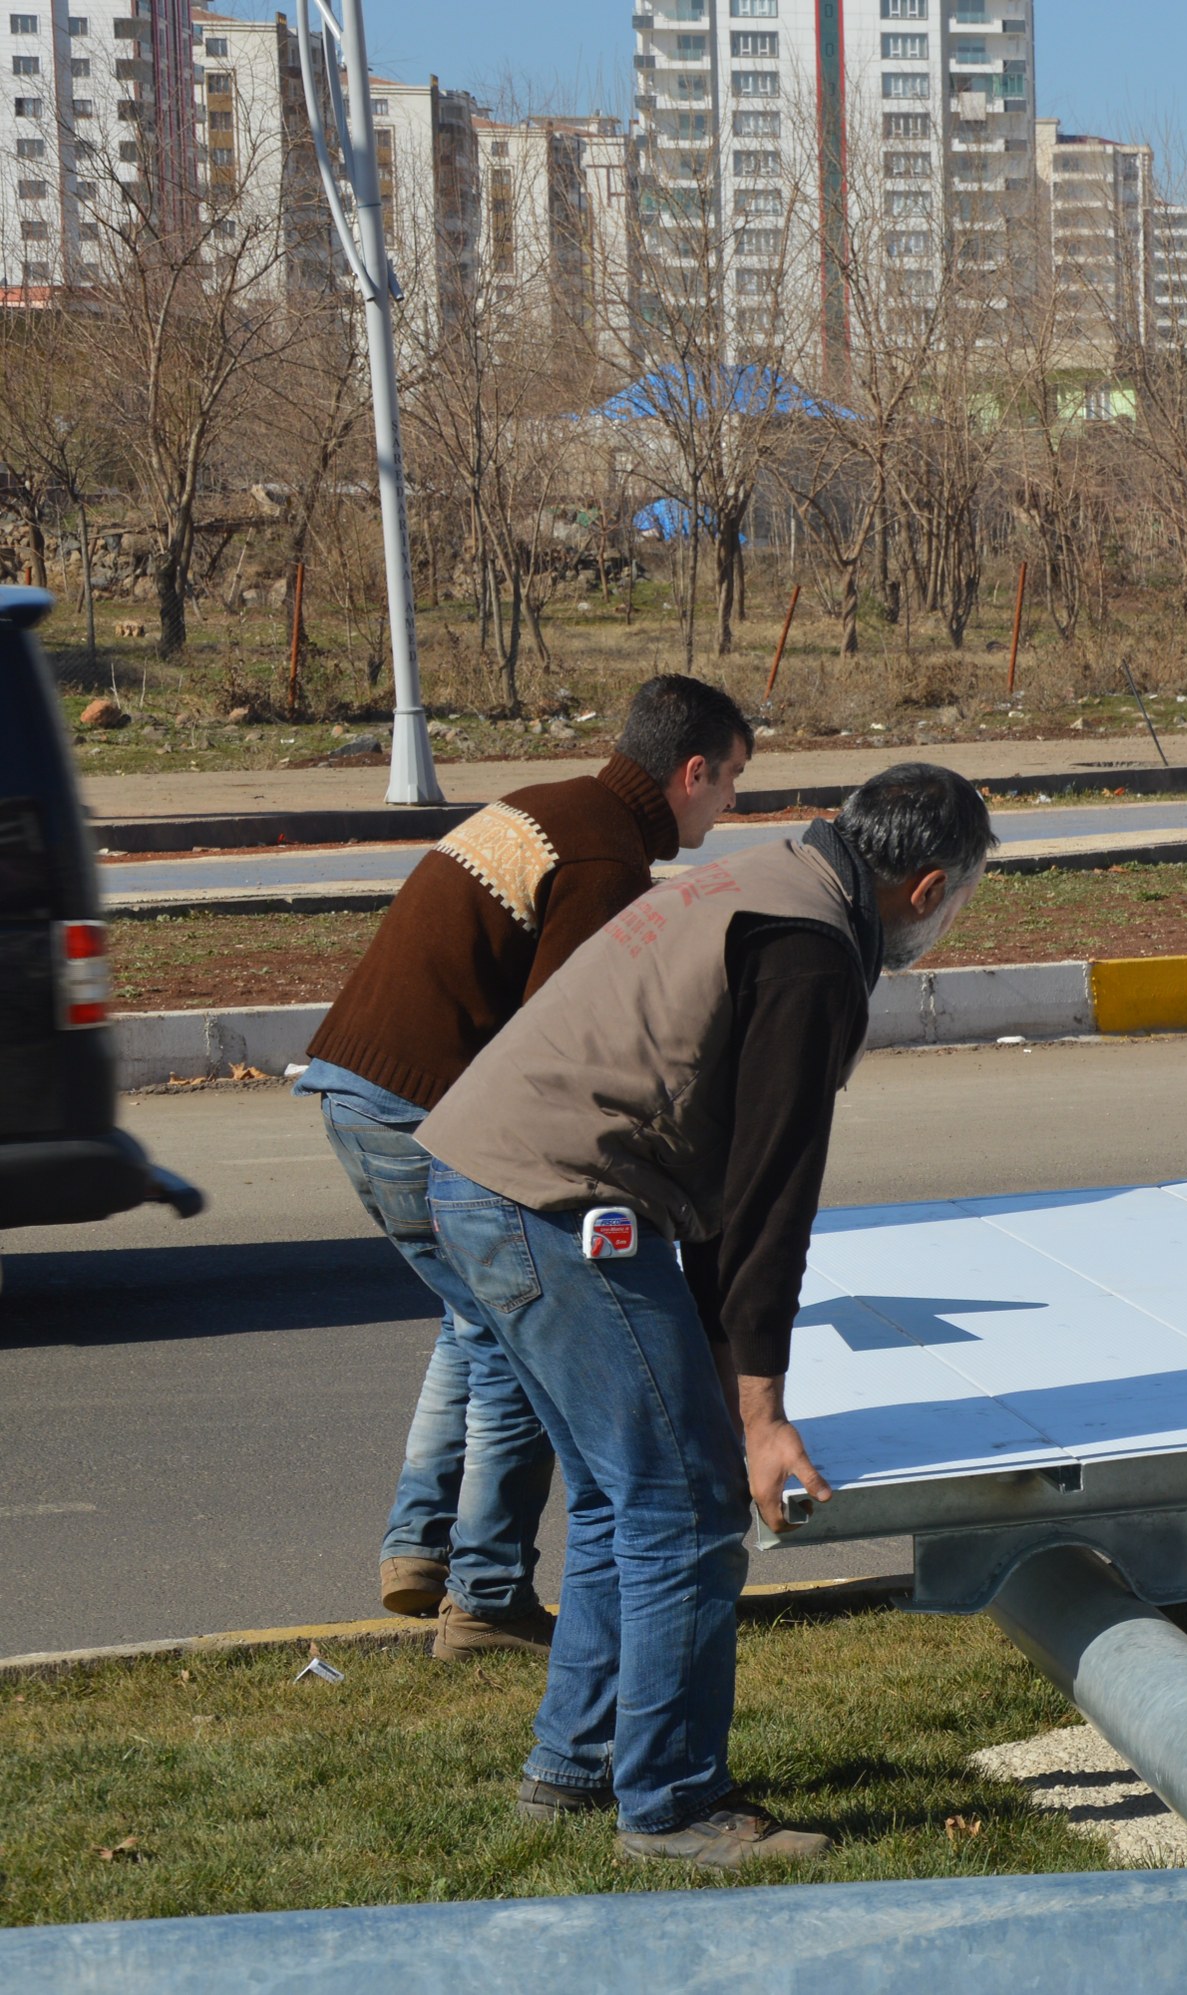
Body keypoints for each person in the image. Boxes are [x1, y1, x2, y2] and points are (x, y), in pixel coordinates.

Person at [420, 763, 989, 1867]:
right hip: (553, 1198)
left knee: (622, 1494)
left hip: (484, 1179)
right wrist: (761, 1415)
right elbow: (772, 1194)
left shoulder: (772, 875)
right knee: (685, 1509)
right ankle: (673, 1807)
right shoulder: (815, 951)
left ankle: (575, 1768)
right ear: (927, 887)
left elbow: (728, 1199)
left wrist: (731, 1381)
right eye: (960, 901)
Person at [297, 675, 752, 1656]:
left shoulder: (553, 807)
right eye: (730, 788)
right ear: (694, 771)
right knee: (522, 1340)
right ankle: (488, 1596)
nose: (727, 812)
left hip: (356, 1086)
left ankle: (420, 1550)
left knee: (477, 1323)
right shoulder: (603, 858)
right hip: (418, 1106)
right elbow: (561, 1052)